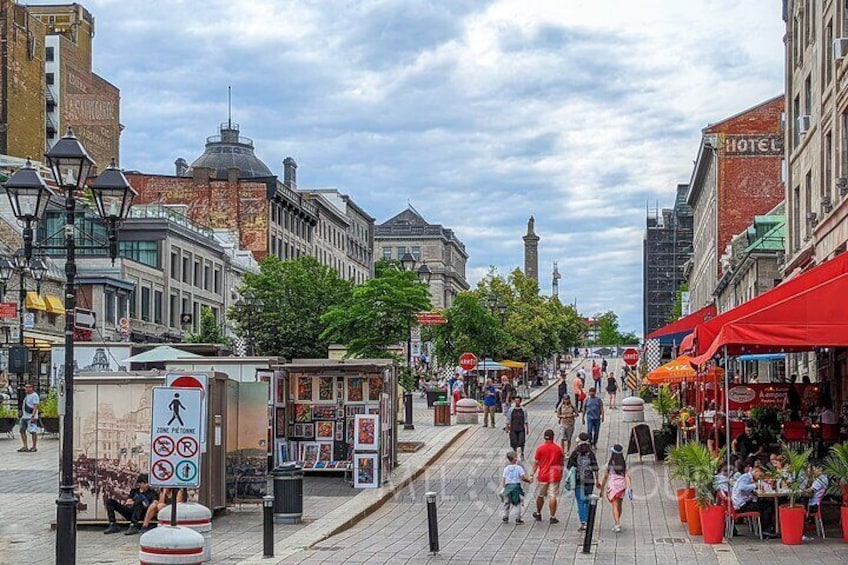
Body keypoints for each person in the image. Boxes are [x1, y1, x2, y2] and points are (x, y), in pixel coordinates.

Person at [731, 465, 777, 538]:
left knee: (765, 502)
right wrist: (754, 485)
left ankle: (765, 528)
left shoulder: (748, 478)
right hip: (741, 505)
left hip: (742, 503)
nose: (760, 478)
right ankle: (766, 530)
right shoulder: (745, 477)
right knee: (767, 506)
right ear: (756, 471)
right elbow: (741, 487)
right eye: (760, 475)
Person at [566, 432, 599, 532]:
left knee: (581, 502)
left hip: (579, 481)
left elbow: (569, 466)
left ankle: (583, 522)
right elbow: (595, 468)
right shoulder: (591, 453)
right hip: (589, 481)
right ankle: (589, 520)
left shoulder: (575, 452)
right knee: (588, 501)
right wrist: (598, 480)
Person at [530, 429, 565, 524]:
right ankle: (552, 516)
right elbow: (561, 463)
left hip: (543, 475)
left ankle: (538, 513)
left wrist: (532, 474)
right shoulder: (558, 449)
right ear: (553, 437)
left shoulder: (540, 448)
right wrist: (561, 473)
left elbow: (536, 463)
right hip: (555, 475)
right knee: (553, 496)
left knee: (540, 495)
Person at [599, 444, 632, 533]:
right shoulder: (624, 464)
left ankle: (617, 524)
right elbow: (627, 475)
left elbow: (605, 477)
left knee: (614, 505)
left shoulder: (609, 464)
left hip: (613, 486)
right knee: (619, 504)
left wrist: (601, 488)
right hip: (622, 486)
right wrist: (629, 487)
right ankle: (617, 521)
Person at [500, 450, 532, 524]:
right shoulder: (519, 468)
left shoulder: (506, 468)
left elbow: (504, 479)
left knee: (507, 502)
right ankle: (518, 518)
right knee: (517, 503)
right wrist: (529, 481)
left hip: (508, 487)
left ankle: (505, 516)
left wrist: (504, 487)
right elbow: (523, 478)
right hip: (516, 487)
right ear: (515, 459)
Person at [504, 396, 529, 460]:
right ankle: (515, 453)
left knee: (521, 441)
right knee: (514, 441)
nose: (517, 402)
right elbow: (508, 419)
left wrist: (527, 428)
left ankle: (522, 452)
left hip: (521, 428)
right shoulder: (511, 410)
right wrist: (507, 427)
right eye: (516, 401)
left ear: (520, 402)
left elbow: (525, 419)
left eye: (518, 401)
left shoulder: (523, 410)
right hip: (513, 428)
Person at [18, 382, 40, 453]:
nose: (26, 389)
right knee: (22, 430)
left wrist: (33, 416)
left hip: (31, 417)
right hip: (24, 416)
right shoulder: (26, 396)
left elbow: (36, 406)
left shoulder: (34, 395)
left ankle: (34, 446)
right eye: (26, 387)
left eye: (28, 387)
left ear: (32, 388)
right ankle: (25, 446)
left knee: (33, 431)